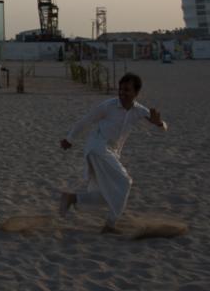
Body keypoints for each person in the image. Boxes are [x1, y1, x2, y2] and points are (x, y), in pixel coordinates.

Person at [57, 72, 167, 233]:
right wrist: (70, 139)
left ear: (136, 93)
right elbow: (86, 120)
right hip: (97, 147)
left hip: (112, 152)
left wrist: (159, 123)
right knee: (125, 182)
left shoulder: (139, 110)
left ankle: (72, 198)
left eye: (127, 90)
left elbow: (163, 127)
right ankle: (110, 225)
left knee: (108, 194)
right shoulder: (108, 106)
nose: (122, 93)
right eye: (121, 89)